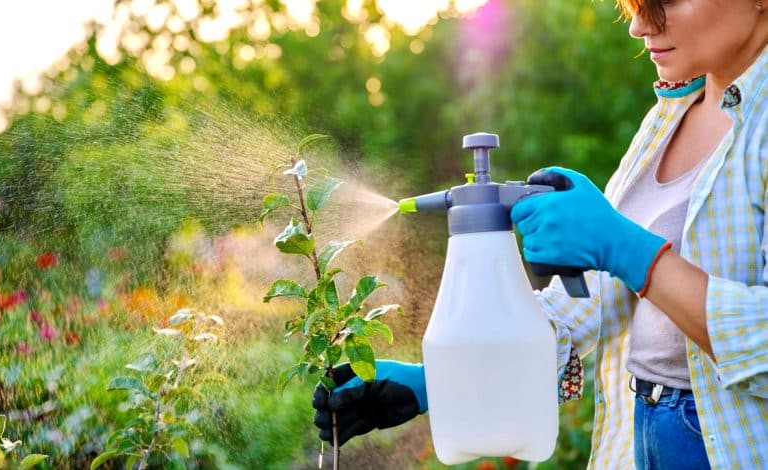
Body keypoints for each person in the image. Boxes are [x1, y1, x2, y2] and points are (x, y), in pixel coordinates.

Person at [312, 1, 768, 468]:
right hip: (644, 432)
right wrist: (439, 382)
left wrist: (627, 249)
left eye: (666, 1)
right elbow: (599, 299)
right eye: (634, 4)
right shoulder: (671, 113)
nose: (638, 25)